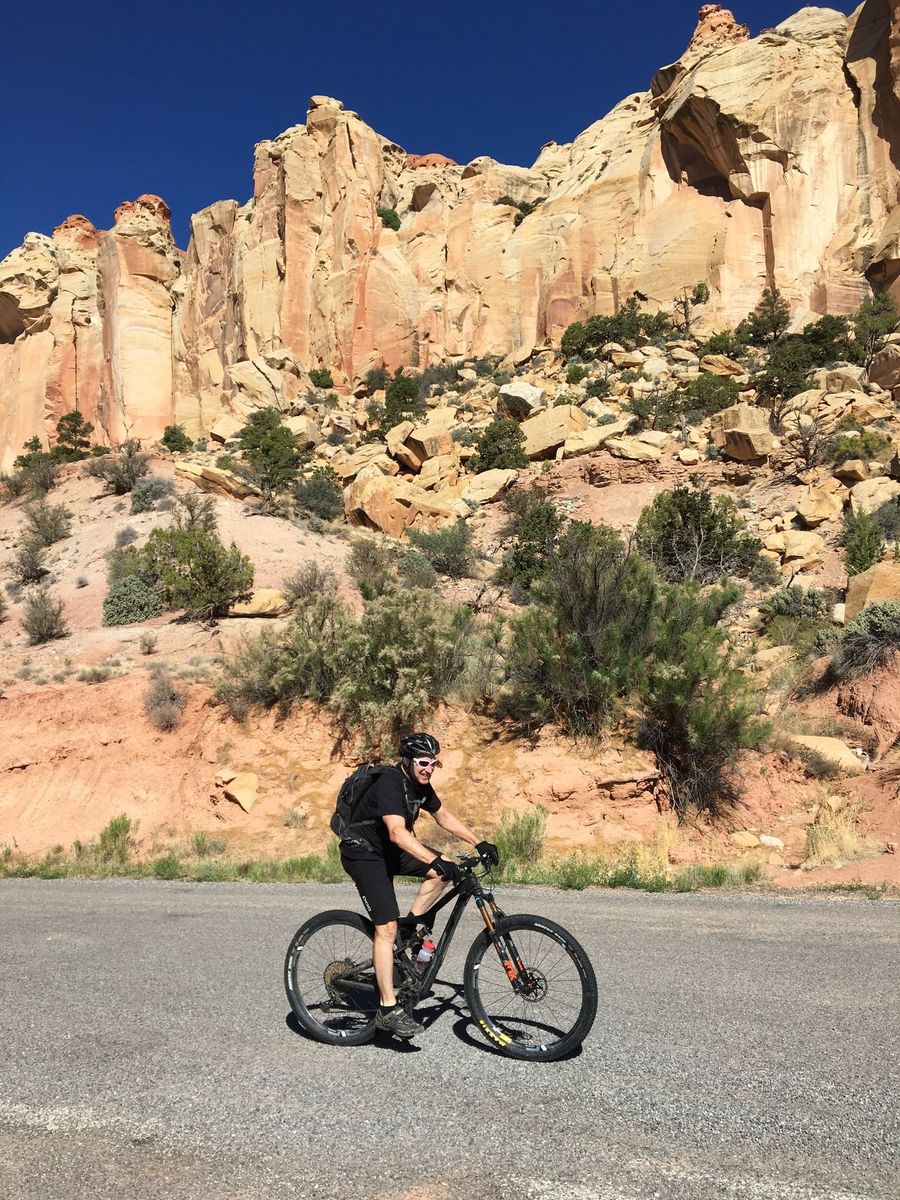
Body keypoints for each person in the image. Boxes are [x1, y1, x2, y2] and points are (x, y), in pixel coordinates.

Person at [338, 731, 499, 1040]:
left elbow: (443, 815)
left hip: (387, 851)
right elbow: (397, 833)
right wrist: (433, 858)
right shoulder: (389, 782)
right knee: (386, 927)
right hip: (363, 853)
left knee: (441, 872)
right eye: (423, 762)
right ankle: (387, 1010)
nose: (429, 768)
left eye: (434, 763)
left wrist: (478, 841)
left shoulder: (419, 786)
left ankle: (408, 933)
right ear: (408, 761)